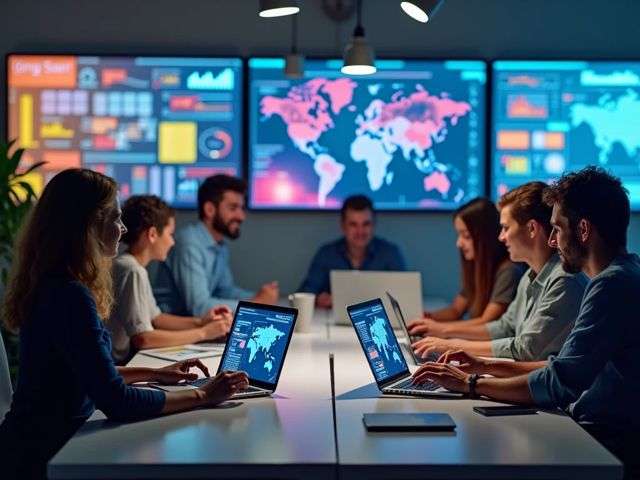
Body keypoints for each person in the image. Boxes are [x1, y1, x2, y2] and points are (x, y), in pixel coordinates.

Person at [0, 169, 248, 479]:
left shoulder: (54, 283)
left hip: (35, 443)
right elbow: (116, 400)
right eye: (115, 219)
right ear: (88, 226)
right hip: (44, 457)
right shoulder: (70, 295)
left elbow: (89, 371)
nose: (123, 228)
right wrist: (204, 395)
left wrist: (155, 374)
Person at [412, 167, 640, 479]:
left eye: (558, 228)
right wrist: (480, 364)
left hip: (604, 443)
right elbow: (558, 365)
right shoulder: (625, 273)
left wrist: (471, 384)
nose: (553, 239)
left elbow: (558, 381)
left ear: (583, 230)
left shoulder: (610, 285)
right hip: (593, 432)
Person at [410, 182, 587, 360]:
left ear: (532, 229)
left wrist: (450, 344)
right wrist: (444, 338)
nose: (501, 237)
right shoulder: (529, 276)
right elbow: (505, 327)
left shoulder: (564, 280)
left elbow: (526, 349)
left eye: (506, 228)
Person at [107, 195, 233, 364]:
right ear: (152, 234)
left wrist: (201, 321)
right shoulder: (132, 270)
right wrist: (204, 333)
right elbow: (143, 339)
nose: (172, 242)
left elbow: (156, 318)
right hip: (117, 365)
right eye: (170, 234)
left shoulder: (131, 265)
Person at [155, 175, 279, 316]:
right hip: (175, 330)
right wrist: (254, 304)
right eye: (233, 208)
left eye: (241, 208)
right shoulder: (189, 244)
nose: (241, 216)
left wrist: (258, 297)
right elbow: (199, 307)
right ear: (209, 209)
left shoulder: (219, 245)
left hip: (199, 328)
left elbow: (224, 290)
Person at [410, 197, 523, 327]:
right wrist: (427, 318)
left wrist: (440, 329)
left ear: (486, 237)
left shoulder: (508, 271)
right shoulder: (477, 267)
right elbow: (456, 310)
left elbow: (486, 323)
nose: (459, 243)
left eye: (466, 236)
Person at [298, 195, 406, 309]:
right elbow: (305, 293)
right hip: (331, 321)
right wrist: (318, 298)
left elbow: (404, 295)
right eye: (353, 224)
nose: (360, 231)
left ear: (373, 225)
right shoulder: (327, 254)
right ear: (343, 226)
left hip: (377, 319)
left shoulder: (390, 253)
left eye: (366, 224)